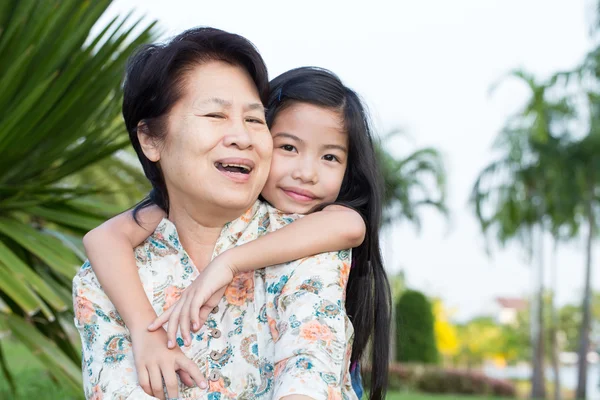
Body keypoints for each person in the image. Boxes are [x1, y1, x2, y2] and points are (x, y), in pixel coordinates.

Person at [75, 27, 390, 400]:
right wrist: (147, 331)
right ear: (150, 139)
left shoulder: (305, 245)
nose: (241, 136)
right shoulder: (108, 276)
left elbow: (306, 370)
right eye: (215, 114)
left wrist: (229, 262)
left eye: (254, 120)